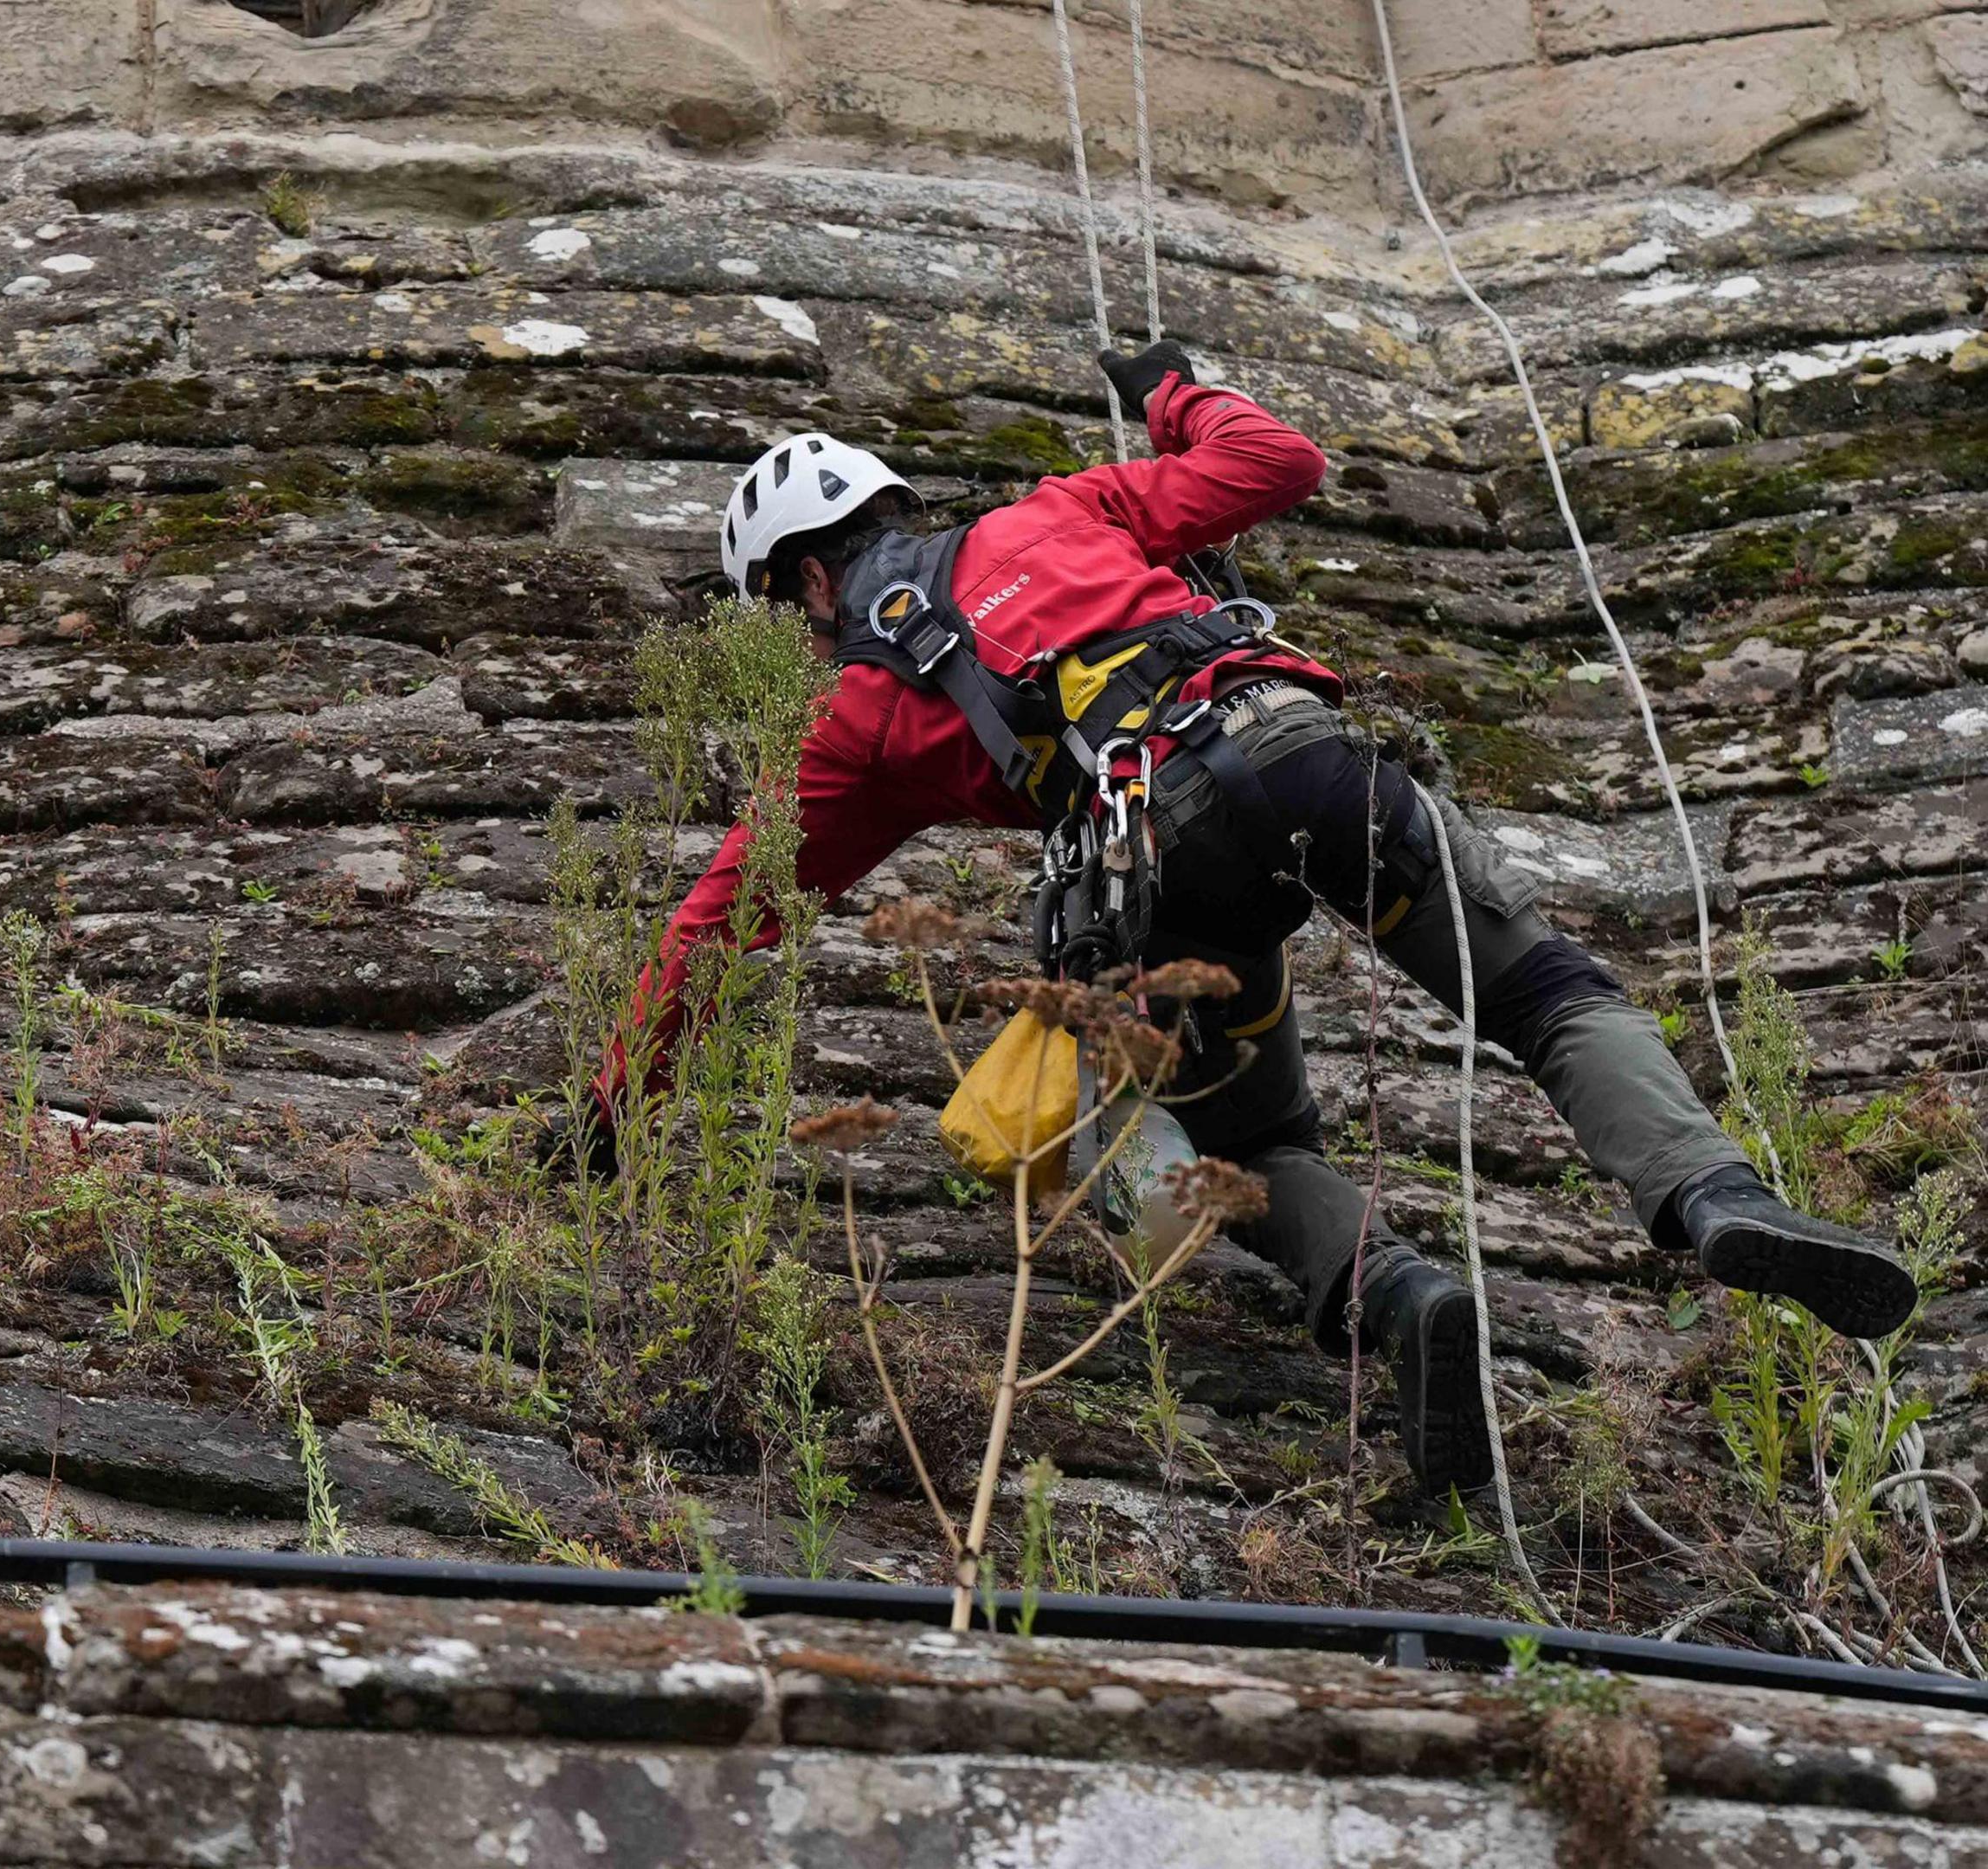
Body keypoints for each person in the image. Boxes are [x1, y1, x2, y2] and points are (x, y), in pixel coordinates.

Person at [595, 343, 1916, 1494]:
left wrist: (614, 1107)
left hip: (1150, 868)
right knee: (1541, 991)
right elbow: (1278, 459)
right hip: (1296, 758)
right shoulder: (1060, 512)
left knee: (1258, 1142)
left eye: (791, 610)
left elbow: (721, 921)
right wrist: (1171, 390)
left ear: (814, 587)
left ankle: (1396, 1292)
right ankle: (1713, 1193)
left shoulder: (861, 721)